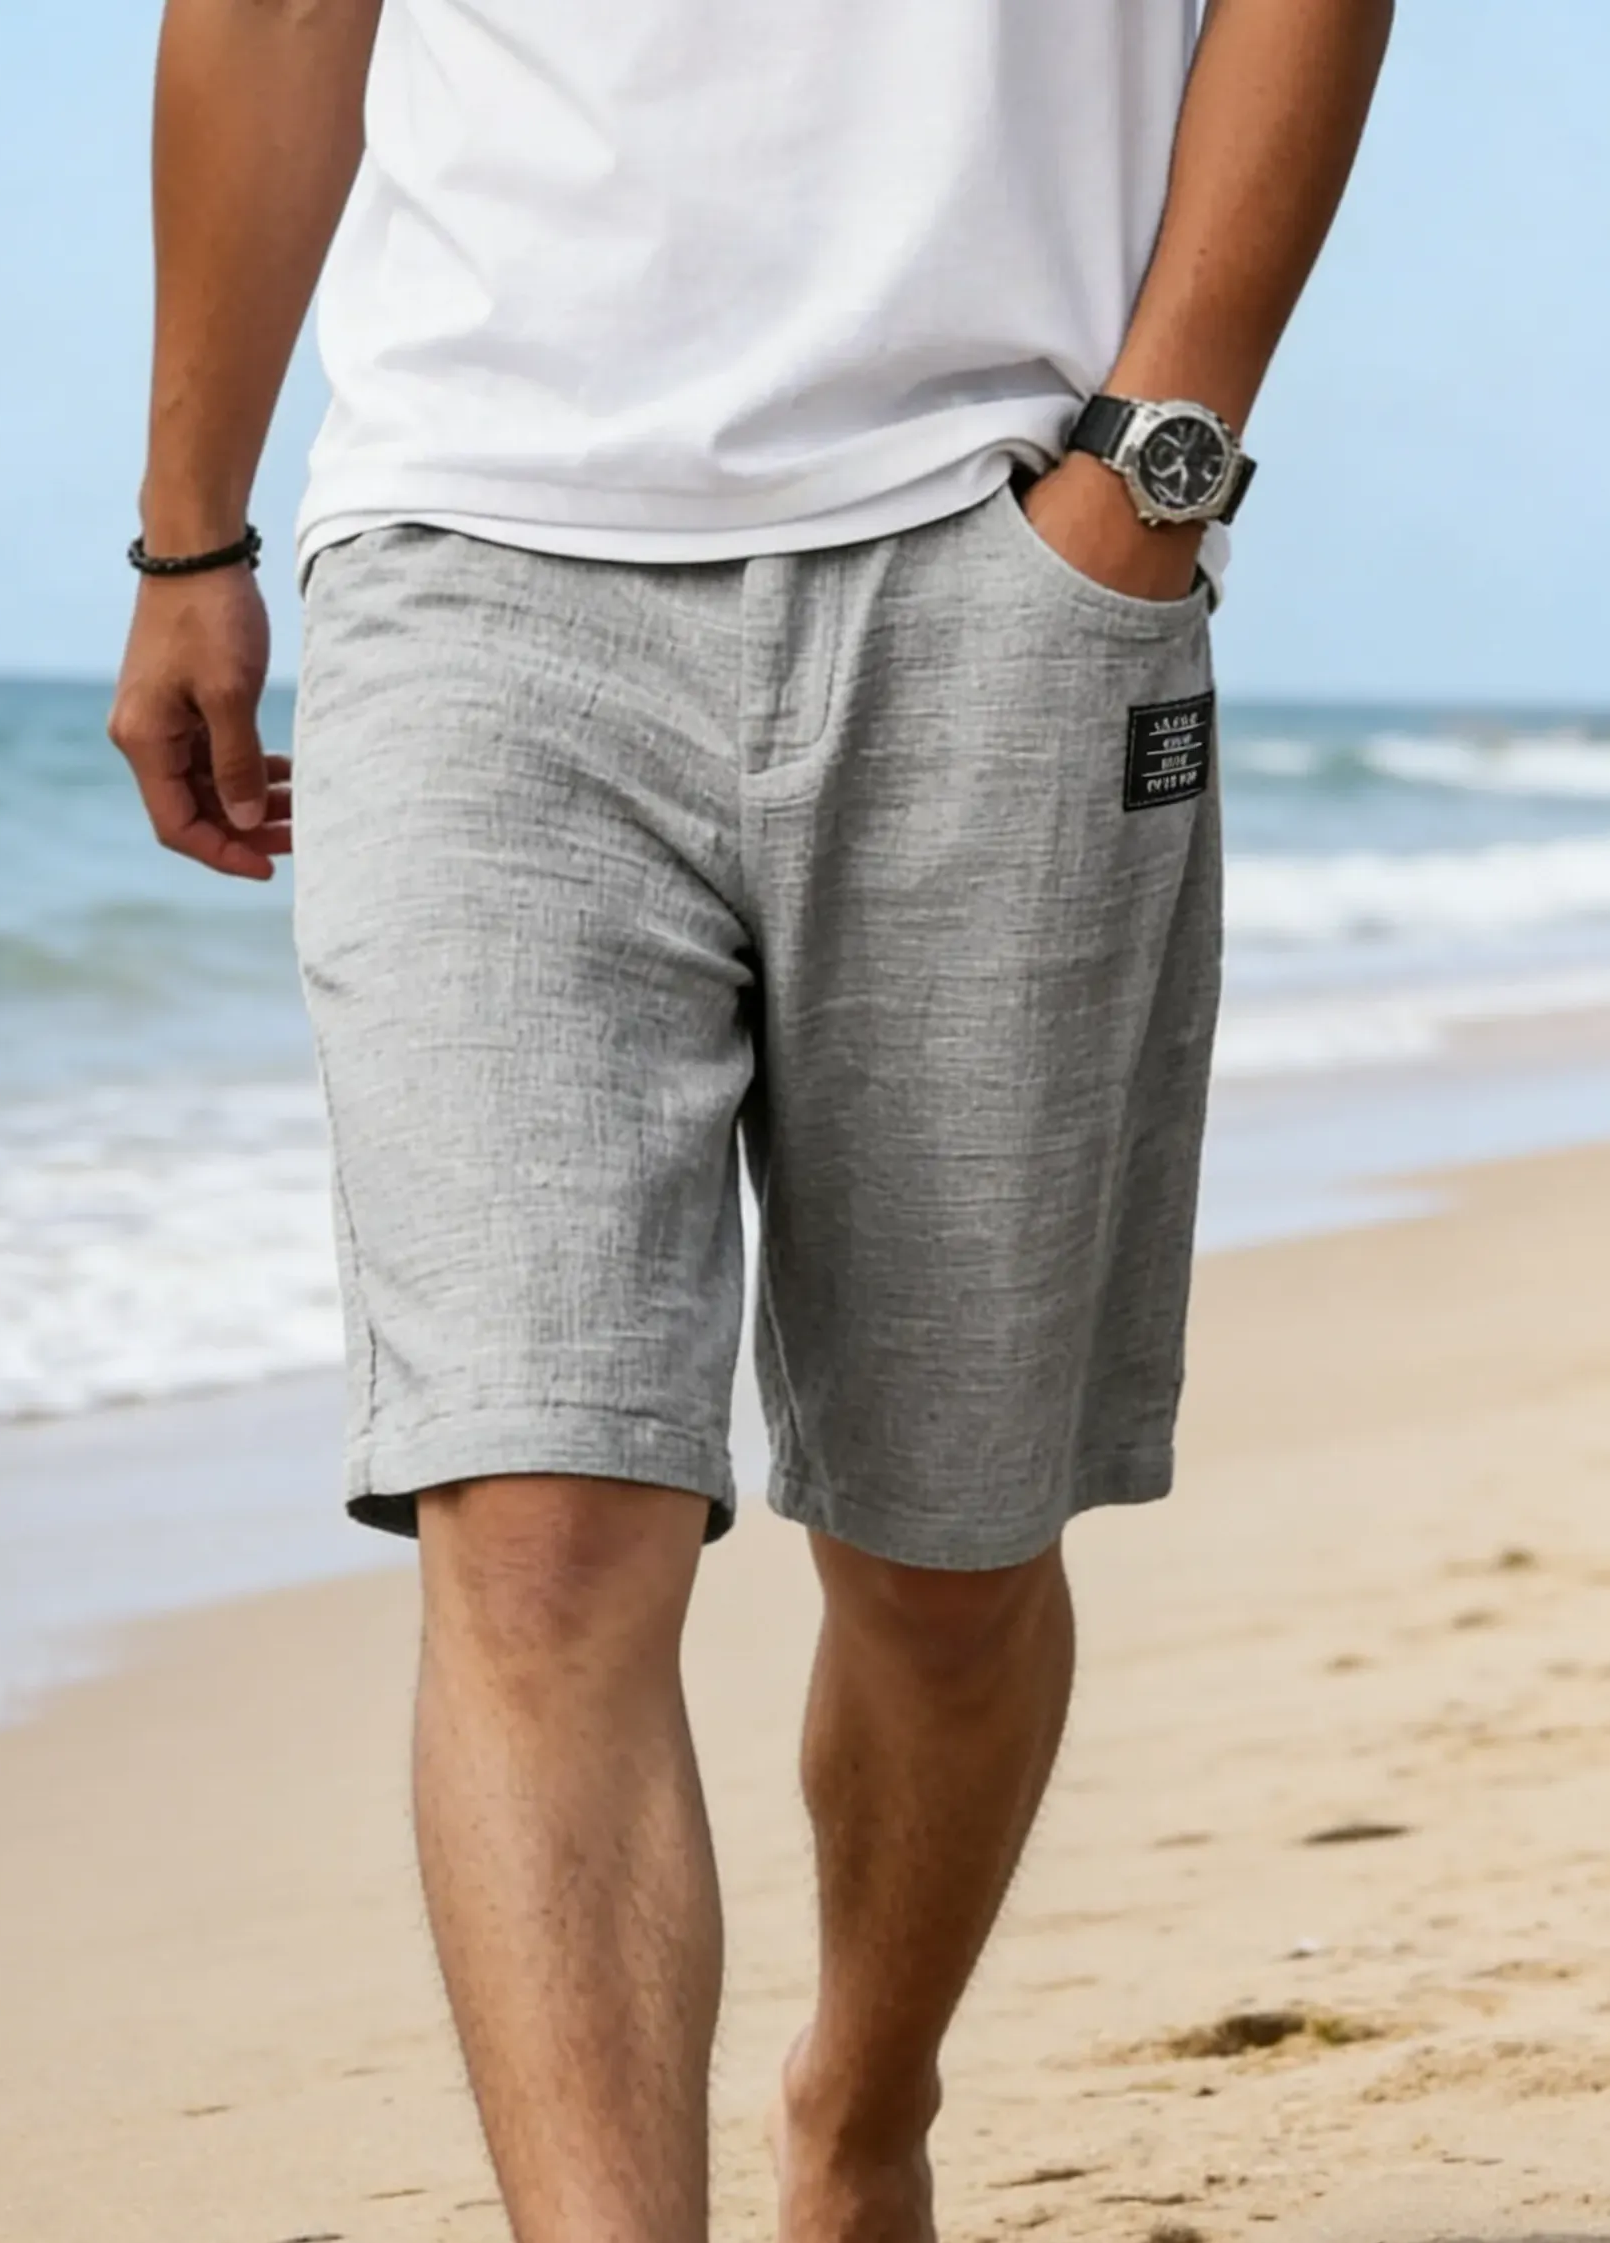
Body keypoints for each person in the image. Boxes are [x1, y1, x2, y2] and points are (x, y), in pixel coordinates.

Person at [110, 3, 1393, 2236]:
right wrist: (184, 532)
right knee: (535, 1520)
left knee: (947, 1558)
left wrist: (1154, 468)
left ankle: (861, 2112)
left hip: (1007, 543)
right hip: (472, 564)